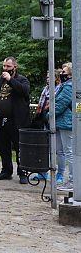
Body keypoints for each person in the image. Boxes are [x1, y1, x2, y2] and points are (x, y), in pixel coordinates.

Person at [0, 57, 31, 184]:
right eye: (4, 66)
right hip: (1, 119)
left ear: (14, 67)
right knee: (3, 146)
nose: (5, 69)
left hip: (17, 120)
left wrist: (10, 80)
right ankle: (6, 170)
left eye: (8, 66)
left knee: (19, 147)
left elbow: (24, 91)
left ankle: (23, 172)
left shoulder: (21, 80)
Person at [53, 62, 74, 191]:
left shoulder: (69, 86)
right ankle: (70, 180)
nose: (61, 74)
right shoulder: (66, 85)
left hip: (67, 123)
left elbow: (60, 104)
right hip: (63, 122)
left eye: (64, 72)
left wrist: (49, 114)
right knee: (64, 151)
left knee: (69, 152)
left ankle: (73, 181)